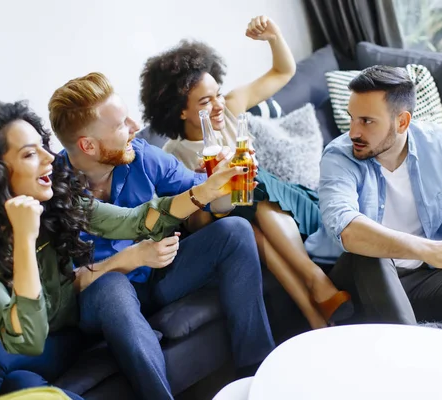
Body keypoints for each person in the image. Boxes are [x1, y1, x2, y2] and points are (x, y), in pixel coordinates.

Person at [0, 100, 258, 400]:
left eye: (43, 147)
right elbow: (23, 336)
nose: (50, 158)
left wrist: (204, 190)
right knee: (0, 369)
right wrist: (25, 240)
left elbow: (136, 221)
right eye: (30, 154)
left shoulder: (57, 200)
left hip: (60, 341)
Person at [47, 72, 275, 399]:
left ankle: (255, 377)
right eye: (120, 124)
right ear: (88, 145)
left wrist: (227, 179)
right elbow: (62, 286)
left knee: (235, 231)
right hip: (101, 301)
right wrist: (127, 260)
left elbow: (200, 193)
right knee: (112, 287)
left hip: (159, 277)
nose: (135, 125)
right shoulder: (51, 189)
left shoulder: (141, 155)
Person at [139, 16, 353, 330]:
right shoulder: (173, 156)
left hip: (292, 207)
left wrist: (274, 36)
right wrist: (207, 189)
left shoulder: (230, 107)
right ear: (180, 110)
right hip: (249, 225)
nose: (216, 105)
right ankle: (316, 315)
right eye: (204, 100)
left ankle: (316, 282)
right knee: (244, 221)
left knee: (252, 182)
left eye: (217, 93)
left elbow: (283, 71)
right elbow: (196, 226)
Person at [303, 65, 442, 340]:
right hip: (358, 284)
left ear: (402, 122)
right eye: (352, 119)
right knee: (370, 256)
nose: (353, 132)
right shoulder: (339, 157)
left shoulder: (441, 145)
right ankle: (413, 354)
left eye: (367, 121)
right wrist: (428, 249)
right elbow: (348, 230)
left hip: (419, 279)